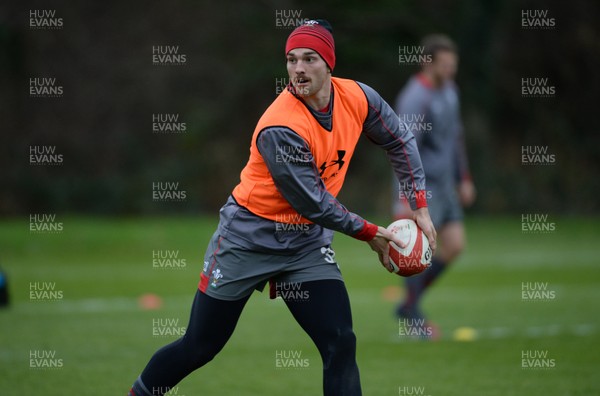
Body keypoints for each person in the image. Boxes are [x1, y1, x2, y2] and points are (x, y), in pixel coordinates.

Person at [129, 19, 435, 396]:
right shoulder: (281, 126)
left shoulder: (358, 98)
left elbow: (399, 139)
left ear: (329, 64)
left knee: (340, 341)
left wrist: (419, 205)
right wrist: (370, 232)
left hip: (305, 246)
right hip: (247, 239)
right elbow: (313, 203)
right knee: (200, 346)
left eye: (309, 59)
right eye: (291, 60)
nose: (298, 69)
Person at [393, 34, 475, 335]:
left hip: (447, 186)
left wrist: (463, 177)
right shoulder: (415, 97)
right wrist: (406, 196)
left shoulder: (450, 91)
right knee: (416, 255)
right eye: (444, 65)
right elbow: (402, 148)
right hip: (420, 190)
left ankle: (408, 304)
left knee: (454, 246)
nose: (450, 70)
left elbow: (456, 137)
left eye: (453, 64)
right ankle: (414, 318)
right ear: (427, 63)